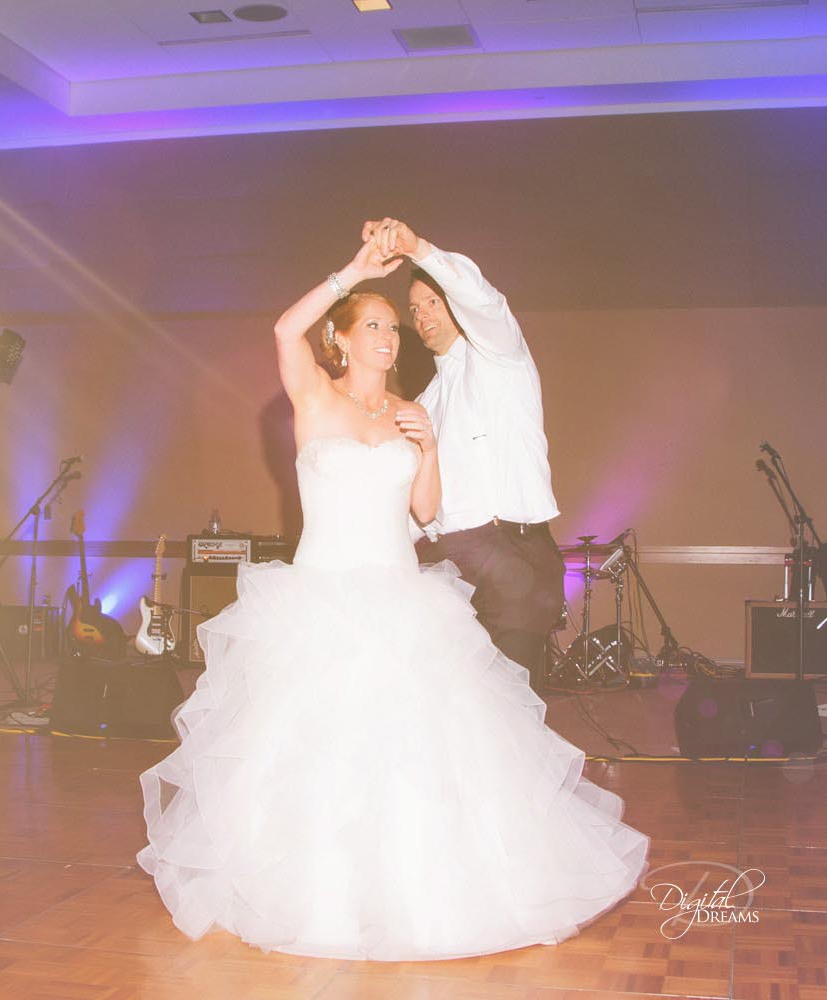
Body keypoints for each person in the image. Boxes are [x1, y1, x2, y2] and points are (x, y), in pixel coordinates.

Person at [137, 230, 648, 960]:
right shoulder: (314, 396)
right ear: (340, 341)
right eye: (372, 323)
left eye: (393, 326)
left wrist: (430, 448)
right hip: (322, 597)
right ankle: (320, 893)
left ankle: (422, 886)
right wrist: (352, 273)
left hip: (404, 598)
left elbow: (425, 510)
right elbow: (286, 329)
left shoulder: (415, 411)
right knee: (317, 749)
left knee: (420, 753)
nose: (388, 334)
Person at [365, 218, 567, 690]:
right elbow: (419, 507)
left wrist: (419, 250)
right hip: (445, 565)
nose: (423, 315)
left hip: (511, 556)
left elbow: (486, 302)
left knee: (512, 710)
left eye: (434, 302)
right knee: (448, 708)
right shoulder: (426, 402)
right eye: (415, 309)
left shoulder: (501, 357)